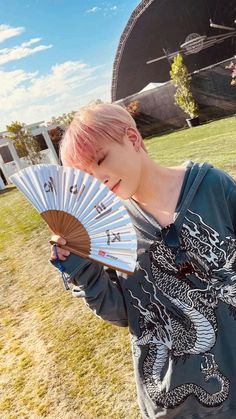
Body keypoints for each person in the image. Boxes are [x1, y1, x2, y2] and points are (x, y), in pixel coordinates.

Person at [50, 103, 236, 418]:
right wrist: (81, 265)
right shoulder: (109, 230)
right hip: (173, 403)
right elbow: (124, 313)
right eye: (87, 176)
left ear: (133, 139)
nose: (99, 179)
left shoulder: (212, 187)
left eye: (100, 159)